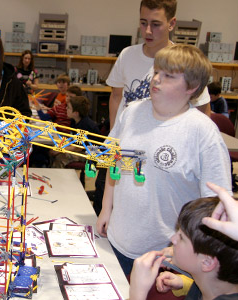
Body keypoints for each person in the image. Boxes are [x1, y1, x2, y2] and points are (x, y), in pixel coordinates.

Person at [96, 44, 232, 276]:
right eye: (157, 71)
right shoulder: (132, 112)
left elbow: (215, 206)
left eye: (168, 75)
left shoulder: (203, 133)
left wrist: (183, 250)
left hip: (166, 257)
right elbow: (114, 161)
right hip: (118, 240)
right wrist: (105, 208)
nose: (156, 79)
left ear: (192, 87)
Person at [107, 0, 211, 130]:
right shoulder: (127, 55)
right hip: (127, 140)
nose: (148, 31)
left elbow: (203, 110)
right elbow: (116, 97)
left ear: (171, 23)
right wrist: (113, 135)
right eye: (143, 23)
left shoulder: (185, 61)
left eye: (156, 24)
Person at [130, 196, 238, 300]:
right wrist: (184, 282)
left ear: (207, 262)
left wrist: (138, 293)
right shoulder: (205, 283)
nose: (173, 239)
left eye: (181, 237)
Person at [50, 96, 101, 168]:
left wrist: (60, 150)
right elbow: (73, 140)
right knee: (52, 151)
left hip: (91, 154)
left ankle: (58, 177)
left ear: (76, 113)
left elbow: (79, 147)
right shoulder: (74, 120)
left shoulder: (85, 125)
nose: (66, 109)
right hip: (81, 149)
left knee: (61, 157)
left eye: (69, 108)